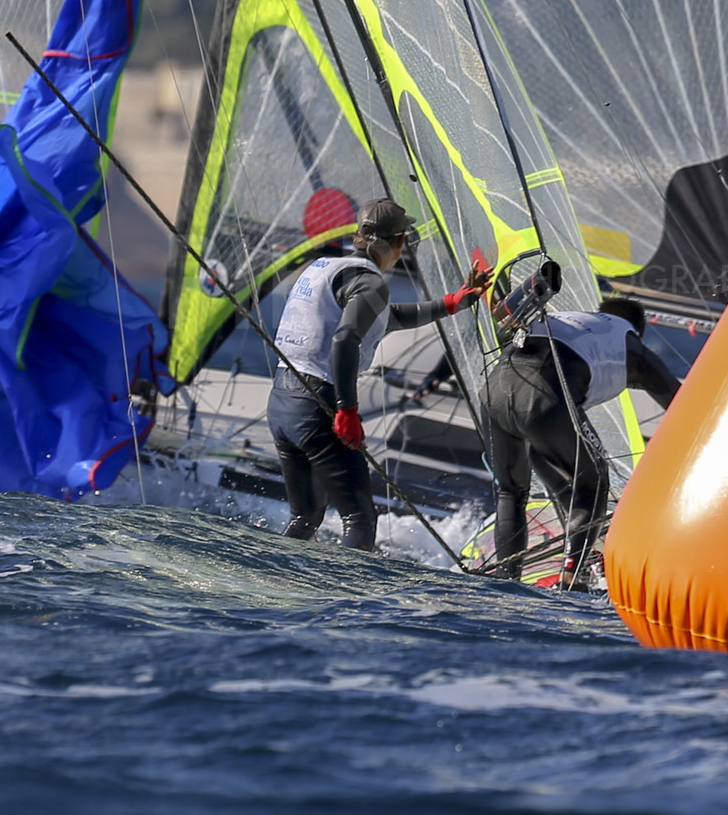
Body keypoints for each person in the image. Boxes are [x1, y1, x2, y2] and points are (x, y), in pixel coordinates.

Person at [268, 198, 491, 551]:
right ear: (399, 243)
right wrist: (347, 410)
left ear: (359, 236)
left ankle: (275, 580)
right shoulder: (370, 283)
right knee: (360, 518)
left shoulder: (324, 267)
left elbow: (387, 317)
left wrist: (453, 302)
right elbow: (345, 338)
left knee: (305, 517)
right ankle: (342, 603)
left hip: (281, 404)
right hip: (317, 408)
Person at [483, 297, 681, 587]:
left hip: (493, 392)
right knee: (595, 482)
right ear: (638, 332)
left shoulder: (570, 318)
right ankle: (571, 579)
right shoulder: (630, 344)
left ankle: (505, 581)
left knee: (511, 492)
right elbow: (681, 404)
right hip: (544, 400)